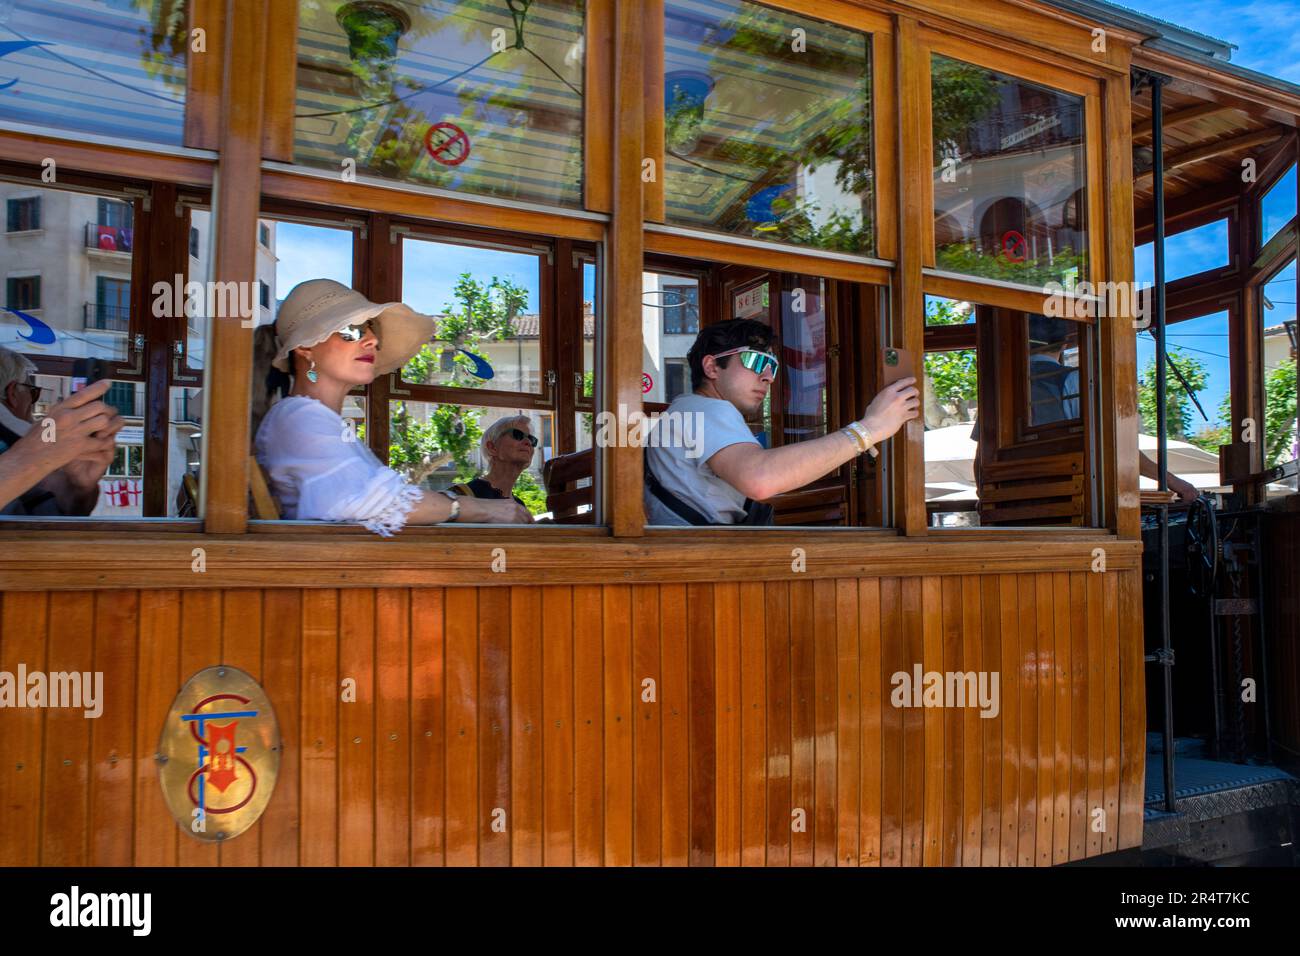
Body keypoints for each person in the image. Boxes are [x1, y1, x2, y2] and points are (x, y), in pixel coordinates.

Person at [254, 279, 531, 534]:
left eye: (373, 331)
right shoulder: (299, 417)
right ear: (305, 347)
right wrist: (476, 508)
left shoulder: (314, 420)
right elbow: (376, 501)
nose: (371, 340)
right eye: (353, 331)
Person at [644, 318, 919, 525]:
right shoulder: (708, 409)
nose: (768, 376)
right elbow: (760, 479)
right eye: (754, 360)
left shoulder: (683, 410)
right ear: (712, 367)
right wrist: (869, 429)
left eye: (772, 365)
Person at [0, 348, 121, 515]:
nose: (34, 402)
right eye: (33, 392)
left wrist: (77, 487)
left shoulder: (16, 449)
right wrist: (33, 455)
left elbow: (38, 519)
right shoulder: (26, 450)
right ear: (13, 393)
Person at [449, 415, 535, 509]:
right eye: (517, 435)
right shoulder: (462, 495)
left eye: (532, 439)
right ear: (492, 448)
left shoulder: (520, 506)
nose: (528, 442)